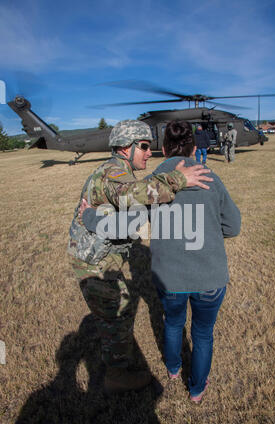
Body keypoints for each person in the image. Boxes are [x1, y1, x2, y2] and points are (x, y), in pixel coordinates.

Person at [67, 119, 213, 395]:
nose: (149, 152)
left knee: (119, 311)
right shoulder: (113, 173)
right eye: (144, 146)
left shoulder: (117, 170)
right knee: (117, 317)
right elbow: (133, 195)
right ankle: (117, 375)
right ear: (125, 148)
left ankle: (117, 365)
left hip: (100, 259)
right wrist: (178, 179)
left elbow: (130, 214)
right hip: (95, 264)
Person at [148, 121, 241, 402]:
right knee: (203, 333)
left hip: (169, 276)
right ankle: (197, 389)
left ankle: (174, 368)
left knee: (173, 323)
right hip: (209, 275)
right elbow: (233, 226)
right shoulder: (210, 176)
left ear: (163, 148)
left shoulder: (154, 180)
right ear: (194, 148)